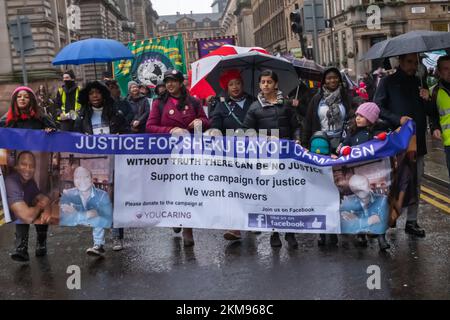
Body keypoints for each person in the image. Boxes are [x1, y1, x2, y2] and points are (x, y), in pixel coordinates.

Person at [374, 53, 441, 237]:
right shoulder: (387, 82)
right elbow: (378, 108)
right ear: (401, 62)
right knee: (393, 182)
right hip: (395, 141)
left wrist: (427, 99)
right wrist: (398, 119)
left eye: (416, 62)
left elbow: (430, 112)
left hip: (417, 141)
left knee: (416, 180)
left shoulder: (420, 81)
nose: (414, 66)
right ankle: (390, 218)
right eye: (410, 62)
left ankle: (412, 221)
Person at [146, 69, 209, 247]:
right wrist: (170, 130)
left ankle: (188, 229)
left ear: (181, 83)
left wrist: (200, 122)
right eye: (167, 81)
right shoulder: (158, 103)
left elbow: (206, 120)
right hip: (168, 154)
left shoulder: (194, 102)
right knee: (172, 189)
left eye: (173, 81)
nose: (170, 84)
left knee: (188, 189)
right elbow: (150, 127)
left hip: (190, 154)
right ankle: (175, 217)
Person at [243, 69, 301, 249]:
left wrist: (297, 139)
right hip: (267, 156)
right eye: (263, 82)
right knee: (273, 195)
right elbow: (247, 132)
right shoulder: (254, 107)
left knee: (290, 194)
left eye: (269, 82)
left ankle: (290, 233)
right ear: (260, 85)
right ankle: (274, 232)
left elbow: (296, 126)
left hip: (287, 155)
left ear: (276, 84)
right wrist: (266, 139)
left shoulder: (287, 105)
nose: (266, 85)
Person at [75, 81, 129, 256]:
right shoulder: (82, 117)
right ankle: (98, 243)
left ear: (104, 95)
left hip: (115, 164)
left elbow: (128, 134)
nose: (95, 96)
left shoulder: (116, 114)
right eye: (91, 93)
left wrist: (122, 136)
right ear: (87, 97)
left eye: (98, 93)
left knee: (114, 201)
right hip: (93, 165)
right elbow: (73, 138)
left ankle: (117, 236)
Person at [209, 69, 254, 241]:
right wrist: (214, 131)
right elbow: (215, 124)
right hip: (232, 155)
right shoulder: (222, 105)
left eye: (237, 83)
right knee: (235, 189)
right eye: (231, 84)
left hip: (254, 153)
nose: (235, 87)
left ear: (243, 84)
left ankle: (251, 220)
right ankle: (234, 227)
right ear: (226, 88)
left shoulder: (254, 102)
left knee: (252, 188)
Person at [339, 102, 390, 251]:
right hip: (358, 175)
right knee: (360, 205)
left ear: (371, 118)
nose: (357, 118)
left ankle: (381, 236)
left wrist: (382, 139)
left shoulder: (376, 132)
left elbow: (385, 144)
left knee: (378, 205)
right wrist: (345, 149)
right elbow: (343, 146)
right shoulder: (352, 133)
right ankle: (360, 233)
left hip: (375, 174)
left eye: (361, 116)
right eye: (356, 115)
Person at [4, 151, 53, 262]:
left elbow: (43, 197)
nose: (27, 169)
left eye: (31, 166)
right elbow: (27, 216)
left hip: (22, 215)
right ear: (17, 166)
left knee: (39, 213)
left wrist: (47, 209)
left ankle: (41, 242)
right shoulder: (11, 181)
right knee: (25, 214)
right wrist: (41, 206)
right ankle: (21, 246)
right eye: (23, 164)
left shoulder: (30, 182)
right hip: (10, 220)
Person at [303, 67, 362, 152]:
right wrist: (304, 144)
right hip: (321, 143)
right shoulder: (316, 99)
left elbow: (353, 117)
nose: (332, 80)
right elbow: (308, 122)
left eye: (335, 77)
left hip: (343, 144)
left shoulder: (346, 97)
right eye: (329, 78)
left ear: (339, 79)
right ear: (324, 81)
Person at [430, 55, 450, 178]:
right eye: (446, 69)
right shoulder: (434, 92)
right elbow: (433, 115)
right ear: (439, 71)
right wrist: (434, 128)